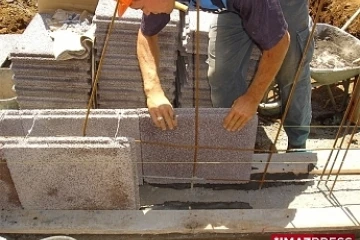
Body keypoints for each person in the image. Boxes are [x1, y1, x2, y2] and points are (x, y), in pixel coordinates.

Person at [130, 0, 313, 150]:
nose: (144, 13)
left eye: (141, 7)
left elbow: (280, 42)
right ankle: (239, 147)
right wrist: (153, 90)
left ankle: (298, 143)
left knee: (291, 69)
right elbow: (146, 35)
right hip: (235, 6)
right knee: (222, 74)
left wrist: (252, 99)